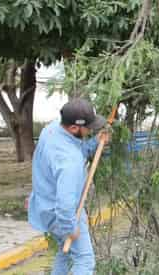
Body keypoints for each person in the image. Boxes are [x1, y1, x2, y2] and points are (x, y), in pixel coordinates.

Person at [28, 98, 109, 275]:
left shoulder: (51, 130)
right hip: (62, 214)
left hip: (44, 205)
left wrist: (94, 142)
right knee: (84, 260)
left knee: (65, 253)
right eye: (88, 127)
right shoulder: (69, 162)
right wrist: (70, 228)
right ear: (74, 128)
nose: (90, 129)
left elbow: (72, 148)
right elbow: (65, 206)